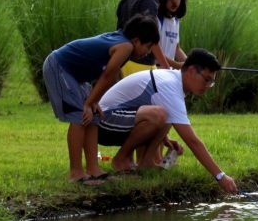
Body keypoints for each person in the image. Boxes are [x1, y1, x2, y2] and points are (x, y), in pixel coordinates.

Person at [97, 48, 239, 194]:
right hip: (103, 122)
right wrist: (220, 176)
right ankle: (121, 160)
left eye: (211, 82)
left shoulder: (173, 81)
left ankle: (147, 163)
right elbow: (192, 141)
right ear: (191, 71)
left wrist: (165, 139)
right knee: (159, 114)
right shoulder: (170, 85)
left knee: (166, 115)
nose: (208, 86)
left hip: (119, 119)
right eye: (206, 79)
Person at [42, 15, 160, 185]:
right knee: (80, 116)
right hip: (60, 66)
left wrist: (94, 102)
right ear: (136, 40)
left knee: (94, 116)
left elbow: (107, 78)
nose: (148, 53)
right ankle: (75, 173)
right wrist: (89, 103)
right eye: (148, 47)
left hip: (76, 76)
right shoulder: (125, 46)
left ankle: (93, 169)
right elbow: (107, 76)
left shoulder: (123, 42)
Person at [117, 0, 171, 76]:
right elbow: (151, 37)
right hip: (142, 64)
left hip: (123, 61)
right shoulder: (148, 1)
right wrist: (166, 67)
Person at [155, 0, 188, 68]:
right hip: (155, 70)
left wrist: (190, 64)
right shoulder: (157, 20)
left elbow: (176, 49)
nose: (174, 1)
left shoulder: (176, 21)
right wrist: (176, 65)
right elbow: (153, 52)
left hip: (168, 71)